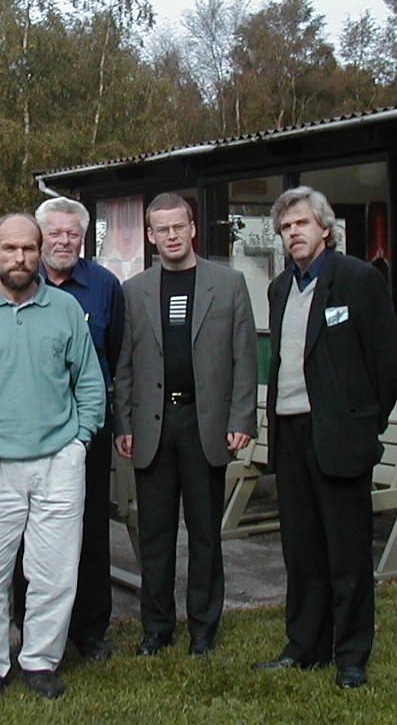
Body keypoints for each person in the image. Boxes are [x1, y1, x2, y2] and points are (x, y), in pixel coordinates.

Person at [0, 214, 105, 700]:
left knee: (54, 573)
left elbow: (90, 382)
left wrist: (78, 443)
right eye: (10, 249)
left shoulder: (64, 309)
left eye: (29, 249)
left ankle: (40, 660)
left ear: (39, 253)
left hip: (58, 460)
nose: (20, 258)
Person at [251, 186, 397, 689]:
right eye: (285, 227)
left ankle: (351, 655)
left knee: (347, 552)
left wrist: (364, 422)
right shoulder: (280, 289)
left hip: (339, 436)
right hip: (291, 434)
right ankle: (304, 646)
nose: (292, 233)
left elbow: (389, 363)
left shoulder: (358, 280)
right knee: (301, 549)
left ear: (325, 229)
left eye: (300, 224)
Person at [114, 193, 257, 657]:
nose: (171, 236)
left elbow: (244, 358)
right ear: (150, 235)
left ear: (193, 228)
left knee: (204, 533)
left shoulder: (229, 284)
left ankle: (203, 628)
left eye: (179, 227)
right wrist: (124, 422)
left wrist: (241, 417)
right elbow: (125, 365)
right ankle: (156, 628)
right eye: (162, 229)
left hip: (206, 423)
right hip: (153, 426)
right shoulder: (134, 290)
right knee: (154, 535)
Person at [18, 196, 125, 661]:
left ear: (84, 238)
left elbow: (116, 354)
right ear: (41, 238)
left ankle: (89, 629)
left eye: (73, 234)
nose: (64, 241)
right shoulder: (18, 280)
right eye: (56, 233)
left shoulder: (104, 286)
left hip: (86, 431)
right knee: (28, 533)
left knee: (90, 529)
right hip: (26, 429)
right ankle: (27, 625)